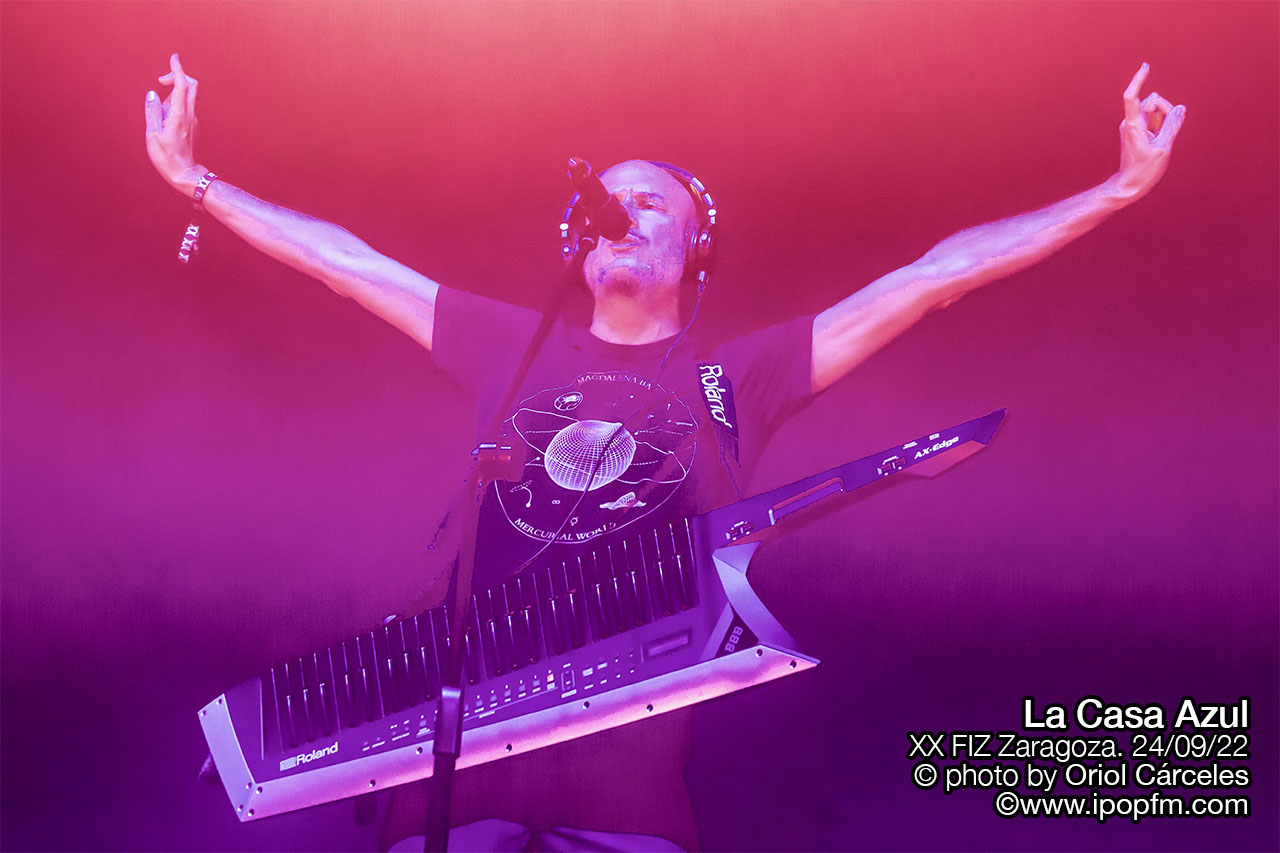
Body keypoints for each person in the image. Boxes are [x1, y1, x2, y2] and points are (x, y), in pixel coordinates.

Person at [145, 54, 1184, 851]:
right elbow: (349, 264)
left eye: (650, 203)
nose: (621, 214)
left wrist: (1116, 191)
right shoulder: (513, 344)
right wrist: (198, 182)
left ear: (696, 247)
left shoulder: (738, 376)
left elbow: (929, 278)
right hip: (454, 759)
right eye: (606, 202)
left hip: (624, 778)